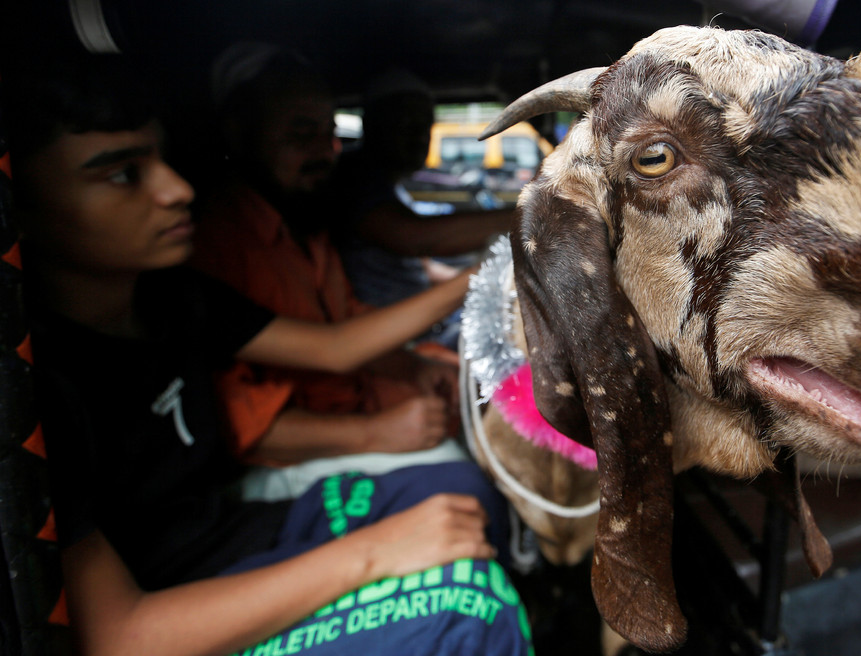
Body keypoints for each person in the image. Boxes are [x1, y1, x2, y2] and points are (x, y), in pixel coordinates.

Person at [8, 54, 531, 656]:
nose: (177, 191)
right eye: (123, 174)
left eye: (161, 159)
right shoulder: (32, 388)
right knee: (470, 610)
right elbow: (119, 636)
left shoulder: (176, 297)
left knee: (463, 487)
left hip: (226, 540)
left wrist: (483, 283)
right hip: (171, 602)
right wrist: (374, 552)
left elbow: (336, 346)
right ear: (20, 208)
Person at [190, 45, 472, 500]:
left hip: (355, 412)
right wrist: (373, 434)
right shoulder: (214, 246)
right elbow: (240, 422)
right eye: (302, 133)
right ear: (239, 133)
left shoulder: (303, 227)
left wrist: (413, 366)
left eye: (329, 131)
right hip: (284, 462)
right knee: (465, 482)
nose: (325, 151)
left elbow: (347, 325)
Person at [332, 67, 518, 347]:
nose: (419, 135)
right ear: (372, 125)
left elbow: (422, 265)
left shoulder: (390, 188)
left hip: (421, 327)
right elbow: (414, 238)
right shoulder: (353, 180)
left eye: (425, 125)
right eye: (406, 125)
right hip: (389, 339)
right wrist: (527, 214)